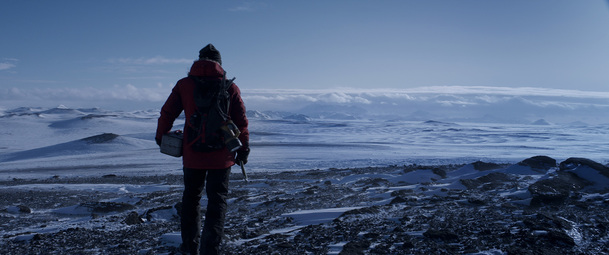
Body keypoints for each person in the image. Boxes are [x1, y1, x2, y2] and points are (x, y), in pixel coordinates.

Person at [156, 44, 250, 255]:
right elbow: (241, 121)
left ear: (198, 61)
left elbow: (167, 113)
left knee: (191, 199)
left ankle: (190, 248)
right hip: (222, 156)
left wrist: (161, 136)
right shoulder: (230, 87)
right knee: (217, 201)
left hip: (193, 154)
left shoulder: (184, 85)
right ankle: (211, 250)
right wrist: (243, 147)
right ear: (220, 63)